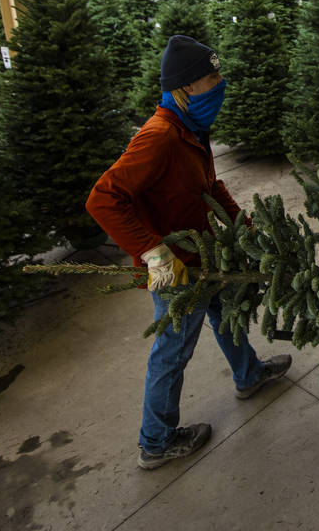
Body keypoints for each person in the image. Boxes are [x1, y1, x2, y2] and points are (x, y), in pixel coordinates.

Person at [87, 35, 292, 471]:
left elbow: (210, 187)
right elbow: (103, 199)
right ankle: (156, 441)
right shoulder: (159, 137)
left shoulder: (191, 129)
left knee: (223, 311)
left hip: (204, 253)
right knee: (172, 350)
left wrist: (245, 228)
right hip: (176, 269)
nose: (221, 83)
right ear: (183, 89)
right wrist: (152, 253)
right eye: (211, 78)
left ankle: (249, 374)